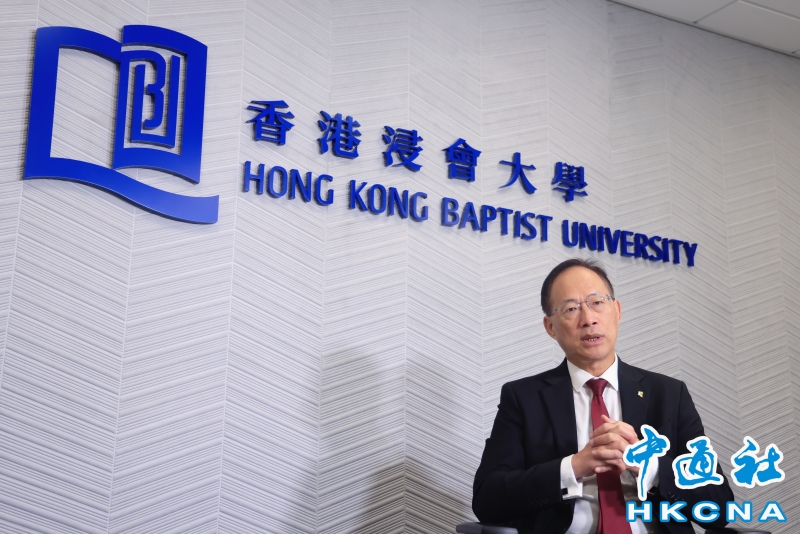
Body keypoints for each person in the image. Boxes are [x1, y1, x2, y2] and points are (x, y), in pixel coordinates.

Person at [472, 258, 734, 533]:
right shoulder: (523, 398)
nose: (588, 319)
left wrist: (650, 466)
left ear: (617, 310)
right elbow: (488, 499)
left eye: (597, 302)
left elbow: (719, 507)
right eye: (571, 309)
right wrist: (573, 466)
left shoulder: (669, 394)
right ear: (550, 327)